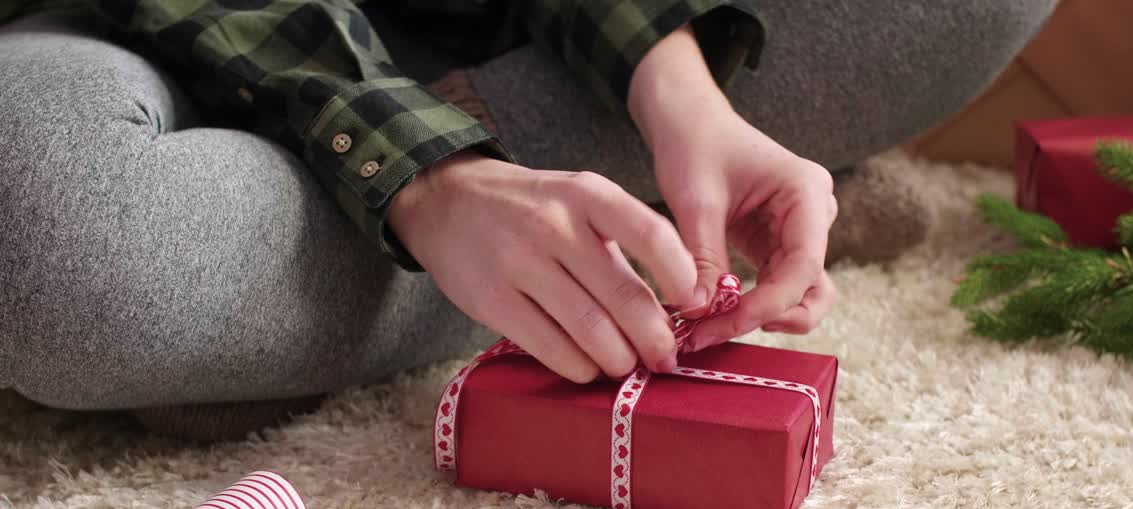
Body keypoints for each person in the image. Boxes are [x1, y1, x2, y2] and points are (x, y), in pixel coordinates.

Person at [0, 0, 1056, 441]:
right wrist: (426, 176)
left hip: (477, 22)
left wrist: (676, 89)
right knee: (50, 242)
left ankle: (272, 308)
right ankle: (512, 225)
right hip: (142, 34)